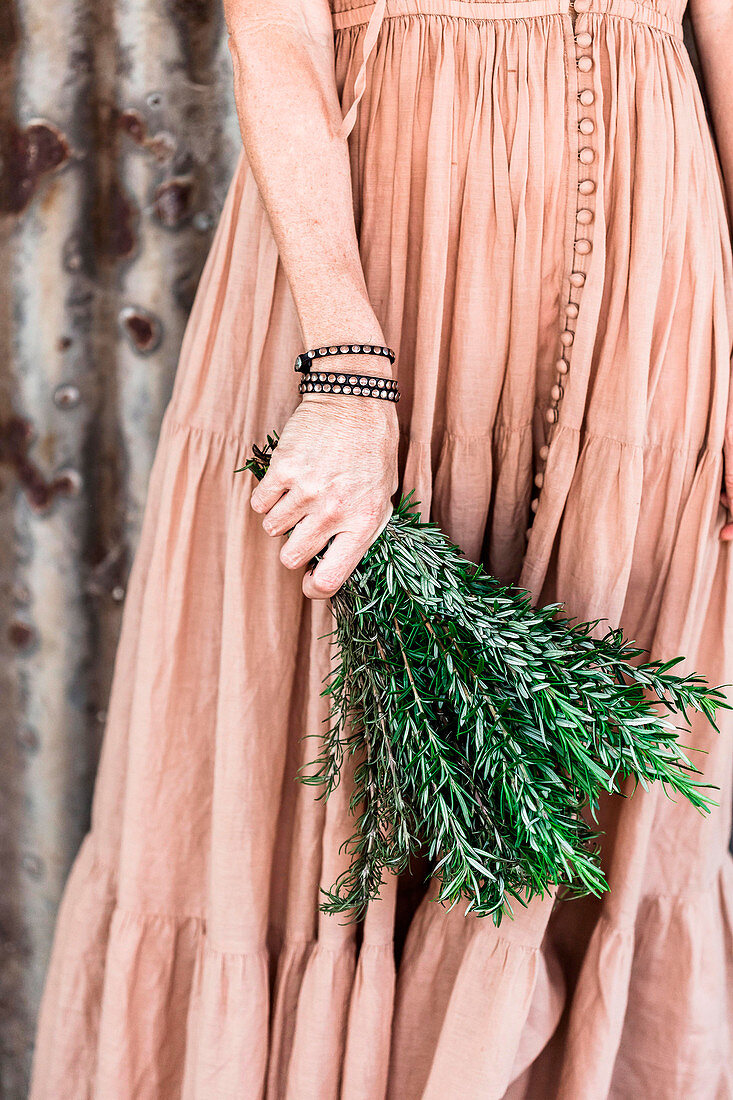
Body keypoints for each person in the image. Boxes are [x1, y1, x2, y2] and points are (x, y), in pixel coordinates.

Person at [29, 0, 733, 1095]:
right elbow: (277, 34)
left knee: (592, 809)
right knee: (327, 791)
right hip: (375, 263)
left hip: (648, 310)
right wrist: (348, 368)